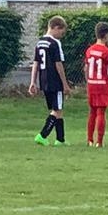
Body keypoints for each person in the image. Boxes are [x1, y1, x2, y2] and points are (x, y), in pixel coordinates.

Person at [31, 16, 71, 146]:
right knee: (56, 110)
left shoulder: (40, 42)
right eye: (61, 32)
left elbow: (36, 63)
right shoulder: (55, 43)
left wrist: (33, 82)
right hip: (55, 81)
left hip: (44, 80)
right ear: (56, 28)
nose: (61, 36)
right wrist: (65, 84)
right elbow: (58, 64)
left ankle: (60, 139)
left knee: (58, 109)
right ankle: (42, 135)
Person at [84, 21, 108, 147]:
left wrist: (88, 81)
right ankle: (99, 142)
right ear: (106, 35)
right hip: (102, 84)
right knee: (101, 112)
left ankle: (89, 140)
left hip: (91, 84)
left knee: (92, 112)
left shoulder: (89, 50)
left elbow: (86, 68)